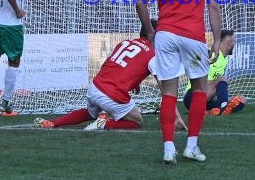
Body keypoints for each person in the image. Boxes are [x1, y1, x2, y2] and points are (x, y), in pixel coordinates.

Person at [136, 0, 221, 164]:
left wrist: (150, 31)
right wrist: (216, 41)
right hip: (193, 34)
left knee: (169, 93)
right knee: (199, 89)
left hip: (166, 33)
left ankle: (168, 148)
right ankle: (191, 146)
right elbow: (213, 5)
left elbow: (141, 0)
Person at [34, 20, 187, 131]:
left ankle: (54, 123)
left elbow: (117, 65)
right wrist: (176, 117)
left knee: (89, 113)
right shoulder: (153, 55)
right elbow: (165, 89)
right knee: (137, 120)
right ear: (154, 36)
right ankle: (105, 123)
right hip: (111, 94)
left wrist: (135, 83)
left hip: (95, 87)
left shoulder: (126, 43)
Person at [183, 29, 246, 116]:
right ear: (229, 42)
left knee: (242, 100)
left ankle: (210, 111)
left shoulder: (224, 59)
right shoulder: (210, 54)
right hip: (192, 96)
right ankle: (224, 106)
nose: (235, 43)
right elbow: (194, 61)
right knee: (222, 79)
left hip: (207, 100)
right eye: (234, 41)